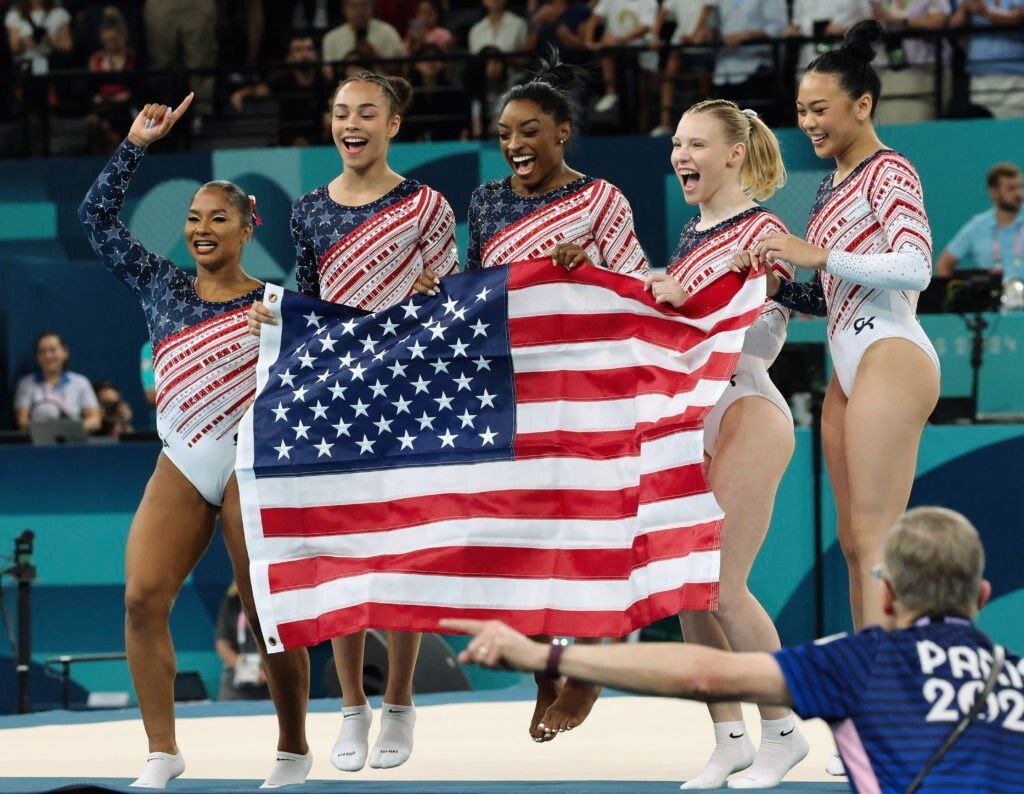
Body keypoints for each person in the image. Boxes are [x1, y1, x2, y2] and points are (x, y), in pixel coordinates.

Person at [443, 506, 1024, 794]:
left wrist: (547, 658)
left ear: (888, 597)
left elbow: (703, 672)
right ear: (982, 594)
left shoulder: (861, 660)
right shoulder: (1016, 676)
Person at [78, 94, 313, 790]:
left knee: (262, 606)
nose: (202, 228)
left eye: (218, 218)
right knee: (142, 597)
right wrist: (134, 145)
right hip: (182, 457)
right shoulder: (162, 285)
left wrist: (279, 333)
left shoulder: (274, 304)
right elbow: (94, 218)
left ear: (249, 227)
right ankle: (162, 751)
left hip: (249, 460)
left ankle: (293, 748)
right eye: (193, 219)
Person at [246, 71, 458, 774]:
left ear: (394, 124)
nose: (352, 124)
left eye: (367, 112)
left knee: (397, 557)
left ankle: (399, 702)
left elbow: (453, 302)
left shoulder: (428, 205)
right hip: (335, 395)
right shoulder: (308, 209)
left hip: (403, 395)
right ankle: (350, 707)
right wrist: (274, 322)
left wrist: (435, 292)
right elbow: (306, 303)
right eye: (341, 113)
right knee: (339, 557)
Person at [465, 57, 648, 742]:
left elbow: (639, 291)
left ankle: (593, 663)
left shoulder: (602, 201)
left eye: (531, 131)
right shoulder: (484, 203)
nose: (515, 145)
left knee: (589, 535)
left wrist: (592, 270)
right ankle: (546, 668)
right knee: (523, 542)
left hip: (592, 387)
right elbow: (476, 294)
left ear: (563, 132)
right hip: (517, 391)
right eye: (506, 132)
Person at [644, 100, 807, 790]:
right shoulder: (693, 235)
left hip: (746, 404)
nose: (681, 155)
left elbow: (765, 340)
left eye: (696, 144)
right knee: (687, 589)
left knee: (722, 585)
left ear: (734, 153)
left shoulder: (765, 230)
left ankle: (784, 731)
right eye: (677, 144)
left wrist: (696, 296)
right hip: (695, 416)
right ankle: (729, 736)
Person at [758, 21, 940, 636]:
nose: (808, 122)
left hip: (891, 353)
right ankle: (871, 670)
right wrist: (784, 284)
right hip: (851, 359)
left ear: (862, 106)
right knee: (855, 539)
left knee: (879, 534)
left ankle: (896, 686)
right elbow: (835, 292)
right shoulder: (833, 183)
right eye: (801, 111)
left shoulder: (890, 170)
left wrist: (818, 255)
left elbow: (915, 268)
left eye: (820, 109)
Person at [230, 33, 324, 147]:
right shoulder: (283, 78)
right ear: (290, 56)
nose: (304, 55)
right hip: (290, 135)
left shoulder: (323, 79)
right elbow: (261, 90)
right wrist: (242, 93)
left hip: (318, 133)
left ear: (316, 54)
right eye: (298, 50)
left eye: (309, 49)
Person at [936, 161, 1023, 281]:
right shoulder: (977, 227)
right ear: (994, 192)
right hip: (993, 298)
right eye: (1011, 189)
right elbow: (944, 264)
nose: (1019, 194)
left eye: (1020, 187)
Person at [706, 0, 789, 124]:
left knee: (755, 129)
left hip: (756, 70)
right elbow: (715, 27)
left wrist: (747, 35)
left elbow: (779, 27)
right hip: (723, 72)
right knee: (724, 128)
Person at [869, 0, 951, 124]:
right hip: (890, 72)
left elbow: (937, 22)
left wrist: (900, 21)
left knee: (919, 122)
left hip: (926, 72)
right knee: (888, 123)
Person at [649, 0, 715, 136]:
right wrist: (653, 37)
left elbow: (707, 12)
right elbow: (662, 13)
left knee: (704, 87)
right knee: (668, 76)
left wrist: (696, 35)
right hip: (680, 40)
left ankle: (706, 123)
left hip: (702, 41)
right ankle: (665, 124)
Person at [951, 0, 1024, 119]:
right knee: (982, 130)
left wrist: (985, 13)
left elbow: (1018, 17)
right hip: (979, 75)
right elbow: (954, 25)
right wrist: (963, 10)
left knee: (1011, 130)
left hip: (1014, 76)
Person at [14, 332, 101, 433]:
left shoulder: (80, 382)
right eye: (42, 352)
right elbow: (22, 421)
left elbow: (95, 420)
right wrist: (46, 432)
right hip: (38, 441)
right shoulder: (26, 384)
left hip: (75, 440)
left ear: (65, 352)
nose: (47, 355)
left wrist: (69, 430)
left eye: (52, 350)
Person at [584, 0, 657, 118]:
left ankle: (643, 126)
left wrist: (619, 40)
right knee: (607, 51)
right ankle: (610, 92)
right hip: (615, 50)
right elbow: (594, 18)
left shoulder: (649, 2)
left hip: (641, 51)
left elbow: (645, 27)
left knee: (643, 95)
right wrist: (589, 42)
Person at [86, 6, 136, 157]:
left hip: (126, 108)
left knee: (114, 126)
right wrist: (96, 98)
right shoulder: (96, 60)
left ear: (122, 37)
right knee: (94, 122)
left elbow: (138, 87)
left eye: (115, 40)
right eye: (108, 41)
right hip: (103, 107)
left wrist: (127, 96)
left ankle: (119, 158)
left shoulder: (132, 58)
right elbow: (90, 88)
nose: (111, 44)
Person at [215, 581, 271, 701]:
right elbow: (222, 645)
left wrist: (270, 674)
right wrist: (251, 671)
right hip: (235, 690)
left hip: (273, 687)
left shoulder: (277, 602)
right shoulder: (232, 602)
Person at [322, 0, 405, 75]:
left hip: (382, 88)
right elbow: (328, 75)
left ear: (372, 6)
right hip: (343, 88)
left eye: (364, 5)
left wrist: (376, 56)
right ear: (344, 8)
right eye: (354, 6)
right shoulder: (331, 38)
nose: (359, 11)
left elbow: (402, 69)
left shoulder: (388, 32)